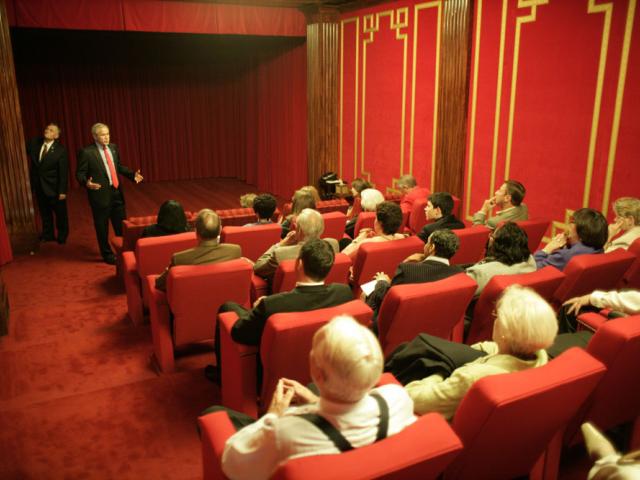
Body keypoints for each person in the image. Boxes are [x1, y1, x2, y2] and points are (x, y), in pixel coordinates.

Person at [214, 315, 416, 480]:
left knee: (214, 413)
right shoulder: (398, 398)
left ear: (317, 373)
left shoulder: (285, 432)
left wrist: (272, 416)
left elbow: (232, 462)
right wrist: (314, 400)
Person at [400, 285, 557, 419]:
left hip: (438, 428)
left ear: (504, 332)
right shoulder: (540, 360)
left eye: (497, 316)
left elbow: (413, 397)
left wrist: (439, 371)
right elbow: (492, 349)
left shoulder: (471, 378)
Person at [220, 239, 353, 347]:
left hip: (274, 366)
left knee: (227, 307)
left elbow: (239, 333)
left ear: (299, 264)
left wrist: (256, 309)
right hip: (321, 359)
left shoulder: (271, 305)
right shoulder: (344, 293)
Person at [76, 123, 143, 264]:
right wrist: (86, 183)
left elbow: (117, 166)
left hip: (116, 192)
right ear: (94, 136)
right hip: (100, 195)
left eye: (107, 134)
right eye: (102, 135)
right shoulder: (87, 152)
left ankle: (125, 251)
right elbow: (80, 173)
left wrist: (132, 175)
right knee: (102, 227)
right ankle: (107, 254)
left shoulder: (113, 148)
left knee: (121, 226)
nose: (106, 137)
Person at [364, 229, 463, 316]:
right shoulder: (459, 274)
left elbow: (388, 299)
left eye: (427, 242)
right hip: (434, 320)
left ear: (432, 247)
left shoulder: (407, 270)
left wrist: (382, 281)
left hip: (396, 322)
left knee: (366, 291)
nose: (425, 246)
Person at [154, 209, 241, 291]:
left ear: (196, 232)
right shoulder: (235, 251)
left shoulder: (179, 259)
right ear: (220, 230)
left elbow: (159, 284)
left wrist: (166, 271)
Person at [254, 208, 338, 280]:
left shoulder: (280, 253)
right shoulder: (333, 244)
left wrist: (280, 245)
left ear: (299, 230)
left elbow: (257, 268)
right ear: (322, 228)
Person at [26, 123, 69, 244]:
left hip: (54, 188)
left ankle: (62, 235)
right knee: (44, 212)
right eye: (46, 129)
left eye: (51, 130)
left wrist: (62, 191)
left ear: (56, 136)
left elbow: (63, 173)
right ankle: (48, 234)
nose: (47, 131)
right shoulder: (35, 143)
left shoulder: (60, 150)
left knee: (60, 214)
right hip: (39, 186)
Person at [465, 222, 535, 295]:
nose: (489, 237)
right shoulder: (530, 262)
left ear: (498, 245)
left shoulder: (479, 273)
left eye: (492, 235)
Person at [534, 208, 607, 271]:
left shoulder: (564, 256)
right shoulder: (599, 250)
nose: (568, 225)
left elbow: (532, 269)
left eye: (572, 222)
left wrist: (547, 249)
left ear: (582, 232)